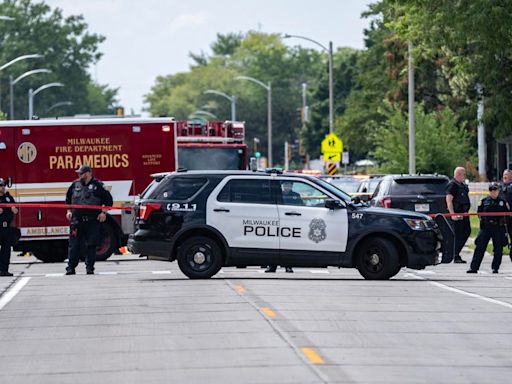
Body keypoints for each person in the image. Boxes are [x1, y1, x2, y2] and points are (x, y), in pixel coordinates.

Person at [65, 165, 113, 275]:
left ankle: (90, 267)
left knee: (91, 245)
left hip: (92, 221)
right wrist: (68, 211)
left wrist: (103, 212)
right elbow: (68, 200)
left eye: (81, 173)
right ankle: (70, 268)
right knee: (74, 245)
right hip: (76, 221)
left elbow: (108, 201)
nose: (79, 175)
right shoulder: (74, 185)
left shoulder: (98, 186)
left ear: (88, 173)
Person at [467, 182, 509, 274]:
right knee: (479, 247)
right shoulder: (484, 201)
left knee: (498, 248)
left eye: (495, 190)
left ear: (498, 191)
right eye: (491, 190)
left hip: (498, 227)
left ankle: (495, 268)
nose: (493, 192)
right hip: (486, 227)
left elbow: (507, 215)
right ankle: (474, 268)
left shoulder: (502, 202)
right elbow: (479, 213)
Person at [265, 181, 300, 273]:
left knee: (289, 245)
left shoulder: (296, 195)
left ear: (292, 186)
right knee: (274, 244)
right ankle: (272, 266)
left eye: (289, 185)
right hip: (277, 221)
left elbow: (300, 206)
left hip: (291, 222)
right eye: (285, 185)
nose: (287, 187)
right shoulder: (277, 194)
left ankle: (288, 266)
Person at [446, 167, 471, 263]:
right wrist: (452, 214)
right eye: (463, 174)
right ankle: (455, 255)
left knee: (466, 232)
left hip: (464, 214)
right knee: (459, 235)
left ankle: (456, 253)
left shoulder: (463, 186)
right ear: (458, 174)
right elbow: (449, 200)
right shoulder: (452, 185)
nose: (465, 176)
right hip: (457, 214)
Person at [0, 179, 18, 276]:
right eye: (0, 185)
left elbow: (16, 210)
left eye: (3, 185)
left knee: (6, 250)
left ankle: (4, 270)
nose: (2, 187)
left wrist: (14, 208)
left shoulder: (8, 197)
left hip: (7, 228)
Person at [500, 169, 512, 260]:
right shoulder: (498, 186)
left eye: (507, 175)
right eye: (504, 174)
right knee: (501, 239)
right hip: (501, 218)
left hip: (510, 216)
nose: (505, 176)